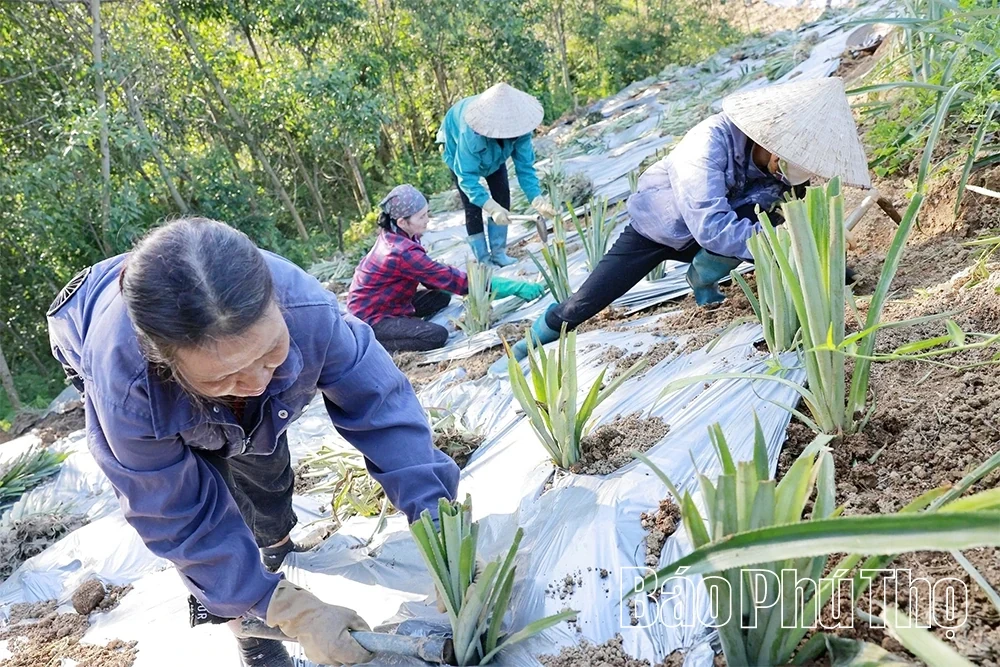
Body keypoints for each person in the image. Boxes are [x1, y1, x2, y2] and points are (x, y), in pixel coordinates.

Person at [47, 218, 461, 667]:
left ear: (277, 307)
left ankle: (274, 546)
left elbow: (381, 407)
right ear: (167, 363)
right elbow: (172, 513)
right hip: (87, 321)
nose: (257, 382)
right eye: (223, 376)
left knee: (261, 451)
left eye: (270, 353)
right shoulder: (128, 389)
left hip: (199, 320)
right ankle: (247, 627)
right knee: (209, 484)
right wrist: (276, 606)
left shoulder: (306, 308)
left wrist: (439, 523)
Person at [491, 77, 870, 373]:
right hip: (660, 228)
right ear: (768, 142)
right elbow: (713, 227)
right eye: (780, 167)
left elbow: (793, 211)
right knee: (586, 301)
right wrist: (786, 239)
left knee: (779, 235)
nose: (782, 177)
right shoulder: (707, 144)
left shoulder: (785, 166)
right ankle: (526, 345)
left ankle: (704, 276)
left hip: (725, 222)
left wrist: (823, 237)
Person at [348, 184, 545, 352]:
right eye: (421, 217)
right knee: (435, 336)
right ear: (402, 221)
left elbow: (434, 277)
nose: (427, 219)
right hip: (370, 318)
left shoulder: (398, 233)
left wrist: (448, 280)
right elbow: (456, 281)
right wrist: (512, 287)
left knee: (441, 297)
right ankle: (378, 342)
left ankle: (400, 323)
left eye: (427, 213)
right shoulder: (400, 251)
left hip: (388, 302)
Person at [440, 82, 557, 267]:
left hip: (495, 158)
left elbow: (525, 167)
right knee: (472, 206)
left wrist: (536, 198)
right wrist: (491, 207)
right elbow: (466, 178)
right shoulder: (470, 133)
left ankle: (499, 253)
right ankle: (483, 259)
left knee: (502, 196)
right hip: (458, 151)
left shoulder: (521, 129)